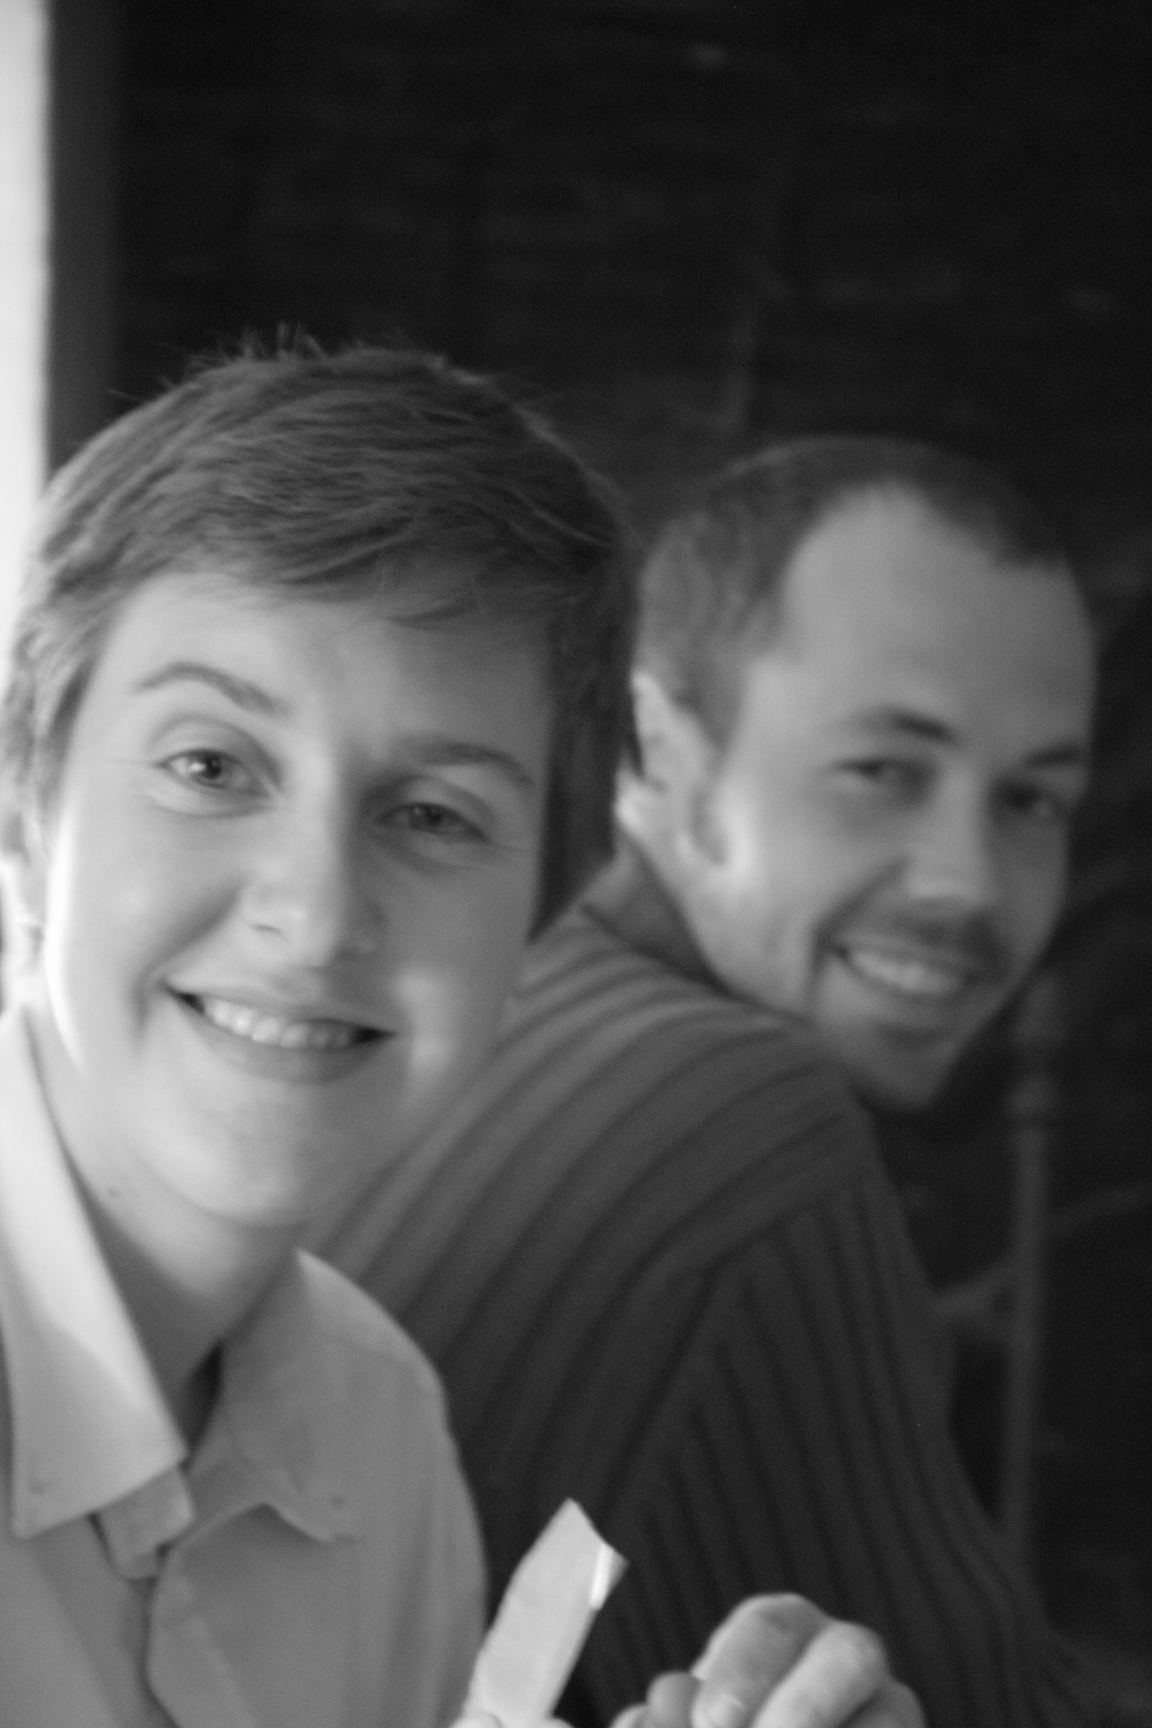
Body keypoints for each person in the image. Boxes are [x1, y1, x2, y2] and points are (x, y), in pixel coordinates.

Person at [0, 351, 917, 1728]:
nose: (317, 917)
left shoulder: (380, 1428)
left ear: (538, 920)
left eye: (433, 815)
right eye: (208, 766)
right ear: (25, 815)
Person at [323, 436, 1101, 1728]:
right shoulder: (749, 1124)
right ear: (656, 753)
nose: (968, 880)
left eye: (1034, 802)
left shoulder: (479, 1000)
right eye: (883, 772)